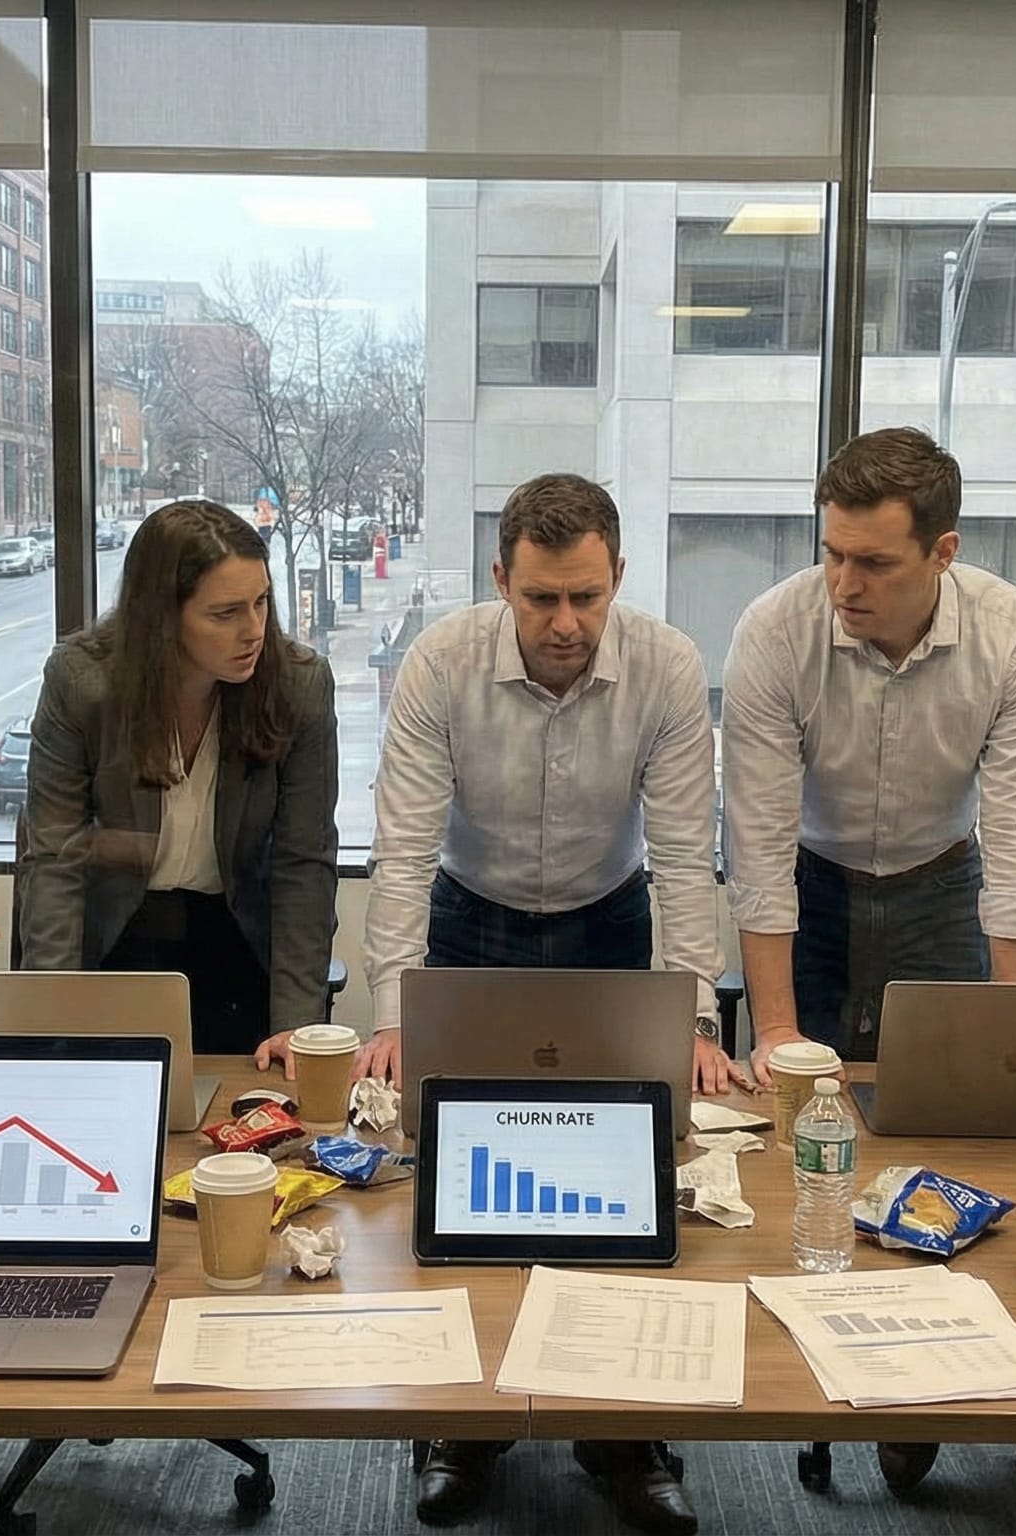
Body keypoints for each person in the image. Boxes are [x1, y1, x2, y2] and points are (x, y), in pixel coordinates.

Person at [362, 472, 728, 1535]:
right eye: (540, 600)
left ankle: (622, 1432)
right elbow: (400, 853)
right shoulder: (441, 663)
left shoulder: (663, 665)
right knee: (461, 1170)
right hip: (469, 915)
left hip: (606, 920)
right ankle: (462, 1427)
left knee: (618, 1174)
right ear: (500, 582)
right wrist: (395, 1009)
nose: (565, 624)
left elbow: (683, 857)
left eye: (585, 596)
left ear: (617, 577)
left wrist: (696, 1016)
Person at [720, 426, 1016, 1496]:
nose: (842, 581)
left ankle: (927, 1378)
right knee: (791, 1145)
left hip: (937, 882)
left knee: (954, 1133)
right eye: (830, 552)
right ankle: (793, 1355)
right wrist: (774, 1028)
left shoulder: (1015, 636)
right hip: (810, 888)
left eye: (873, 562)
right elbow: (759, 848)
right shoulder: (777, 630)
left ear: (944, 551)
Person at [14, 499, 339, 1067]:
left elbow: (304, 862)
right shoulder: (82, 681)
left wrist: (297, 1026)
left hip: (238, 937)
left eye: (262, 603)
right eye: (226, 613)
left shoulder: (298, 686)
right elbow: (53, 858)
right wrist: (51, 1017)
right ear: (162, 615)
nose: (254, 631)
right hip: (116, 933)